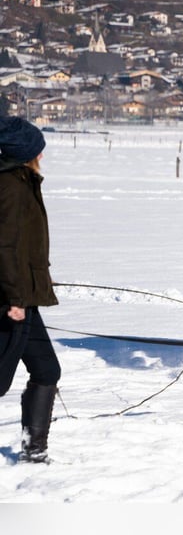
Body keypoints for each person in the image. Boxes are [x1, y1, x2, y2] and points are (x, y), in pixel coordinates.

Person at [0, 116, 60, 464]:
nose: (43, 155)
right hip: (12, 301)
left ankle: (34, 451)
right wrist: (15, 298)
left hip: (25, 296)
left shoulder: (23, 182)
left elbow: (24, 247)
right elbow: (4, 247)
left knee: (47, 371)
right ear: (27, 153)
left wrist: (36, 282)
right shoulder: (10, 187)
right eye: (39, 149)